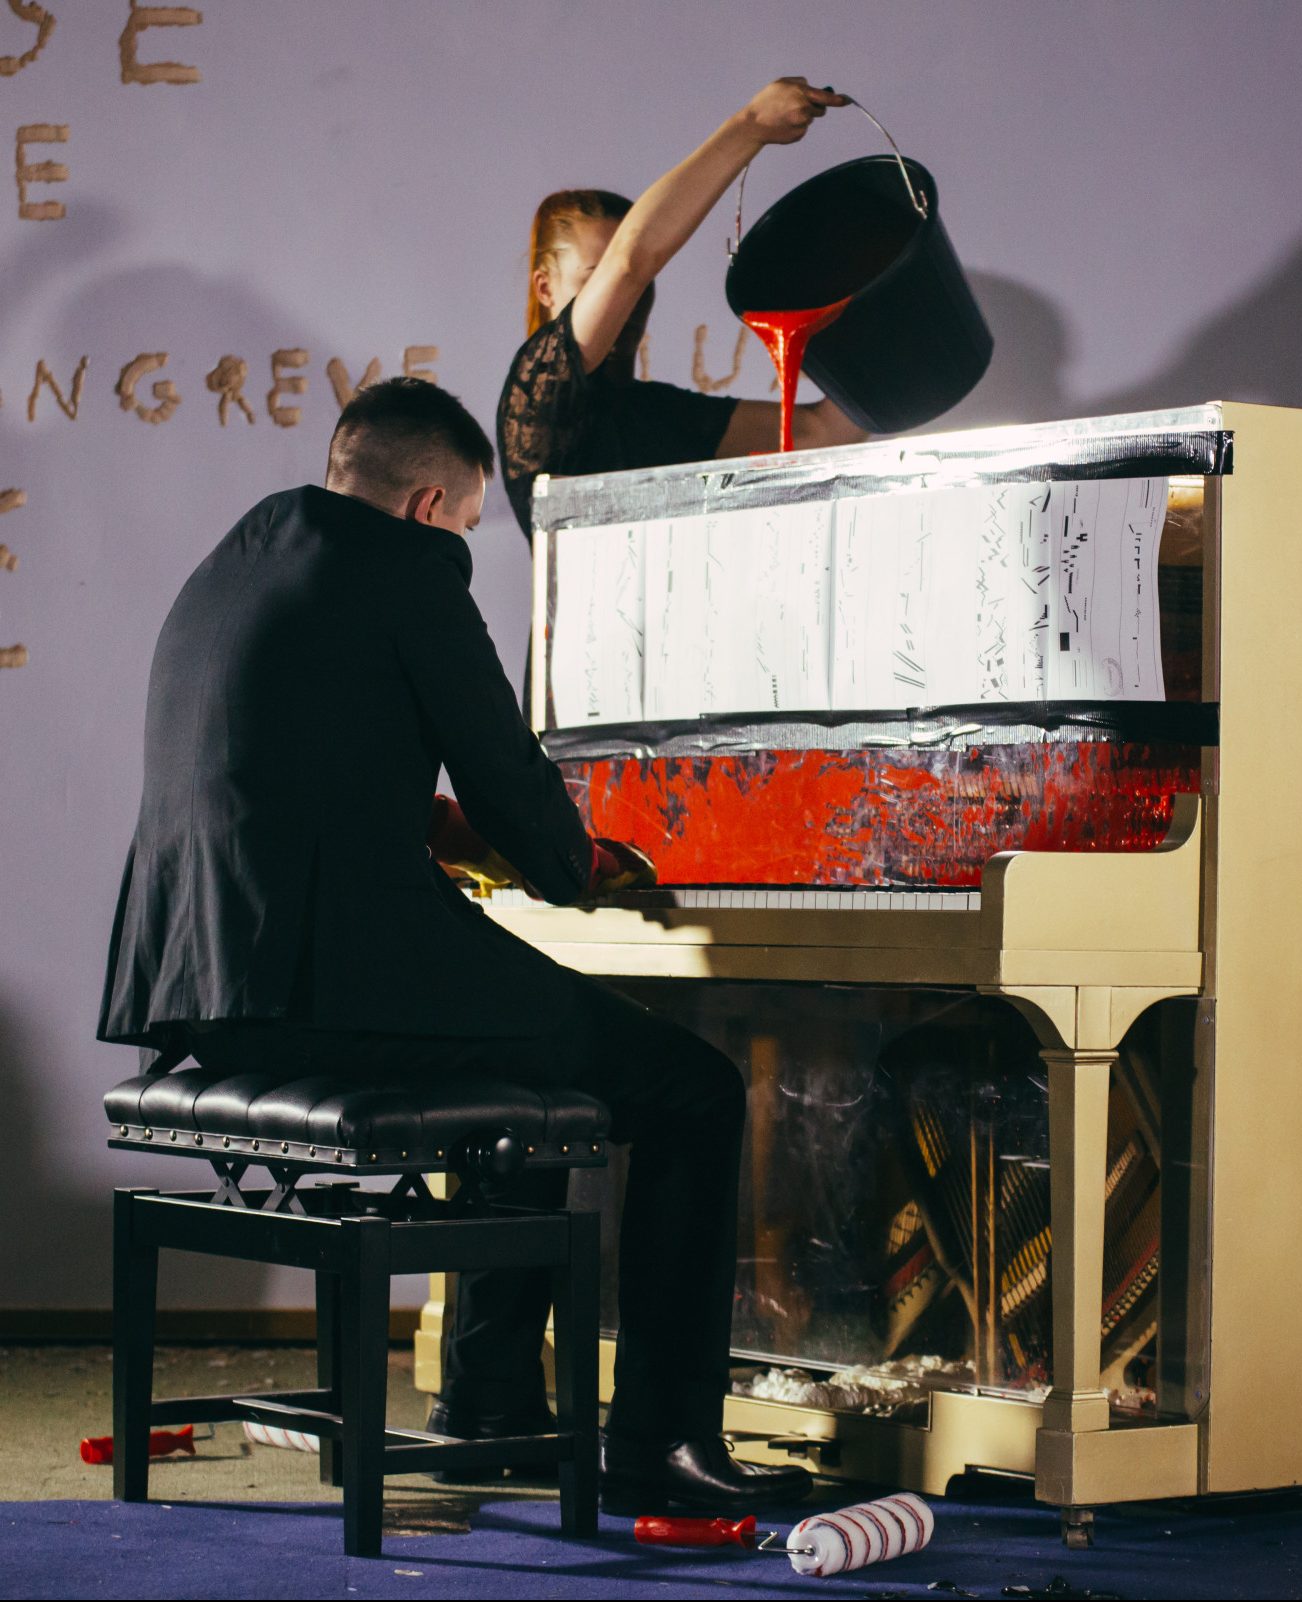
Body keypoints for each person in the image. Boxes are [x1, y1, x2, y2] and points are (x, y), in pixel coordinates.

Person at [97, 376, 809, 1512]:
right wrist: (584, 870)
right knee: (694, 1087)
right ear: (432, 505)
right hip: (331, 982)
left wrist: (460, 836)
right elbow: (507, 779)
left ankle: (488, 1402)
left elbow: (296, 773)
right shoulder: (407, 571)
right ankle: (662, 1448)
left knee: (524, 1052)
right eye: (474, 525)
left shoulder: (243, 556)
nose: (467, 546)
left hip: (197, 985)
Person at [497, 76, 868, 544]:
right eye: (596, 280)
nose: (625, 300)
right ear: (545, 288)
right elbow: (632, 260)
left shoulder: (653, 413)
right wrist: (750, 125)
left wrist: (900, 326)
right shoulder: (536, 391)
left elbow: (820, 432)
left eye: (636, 287)